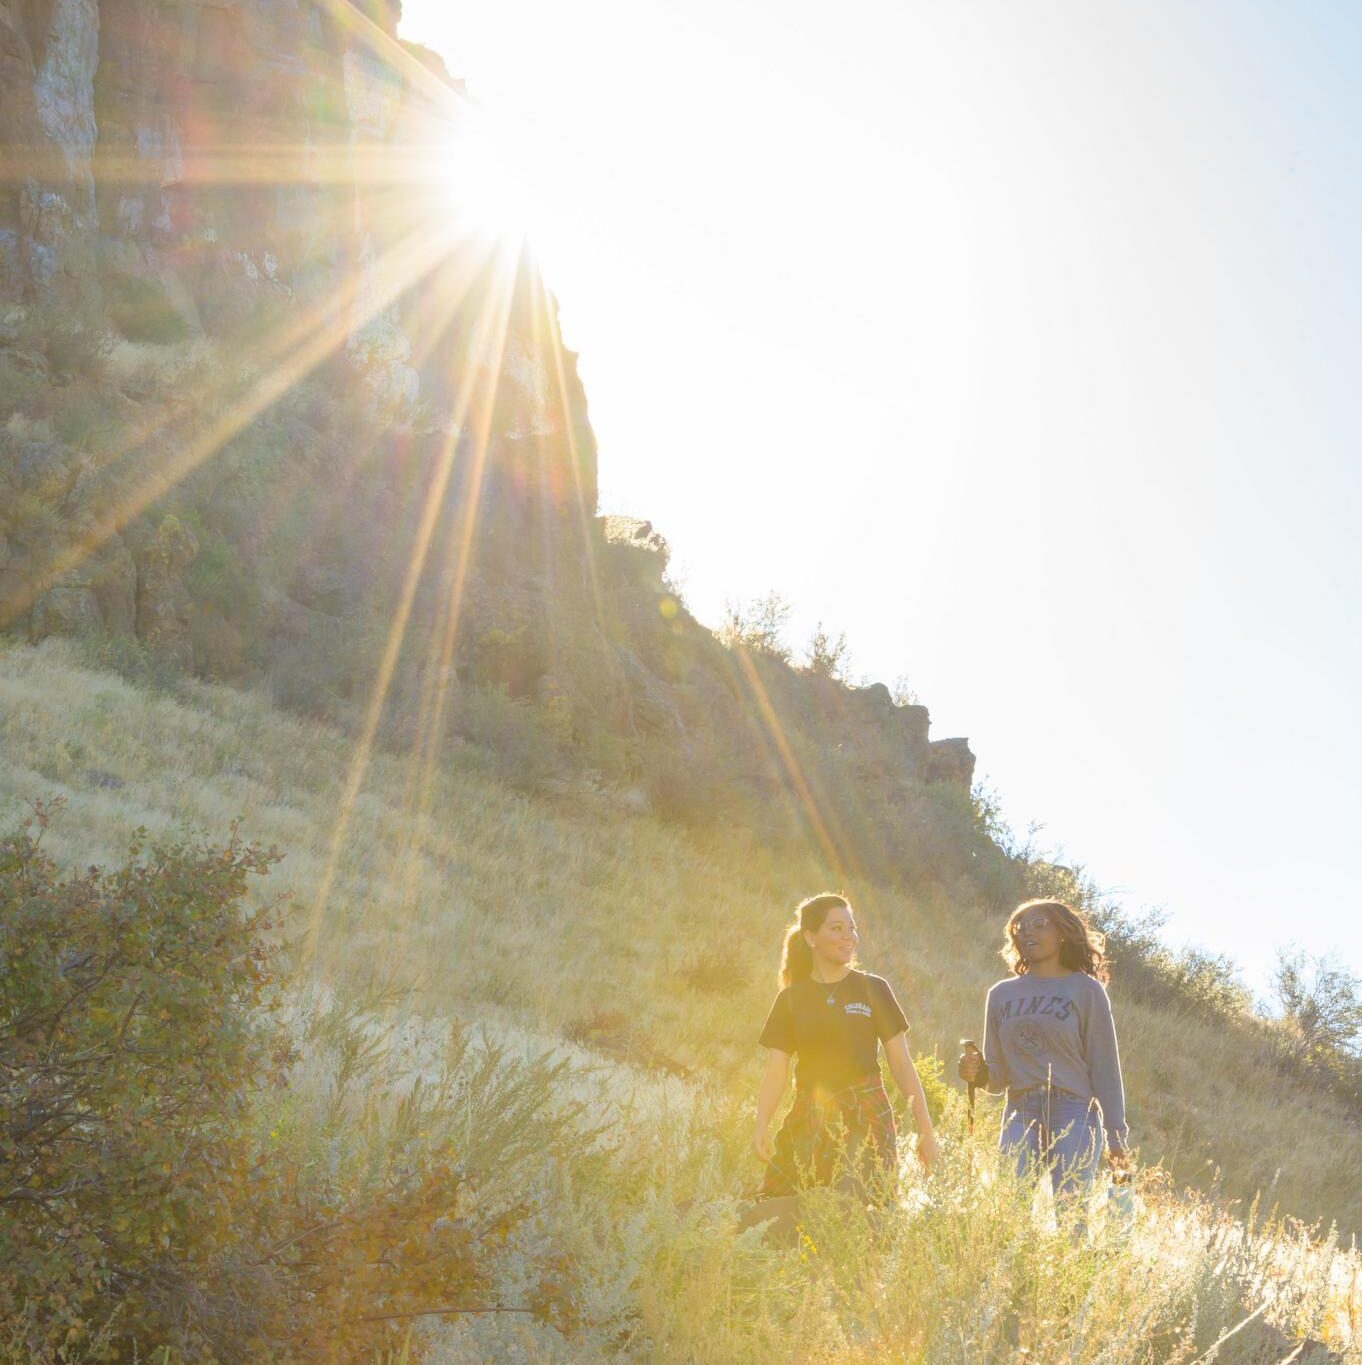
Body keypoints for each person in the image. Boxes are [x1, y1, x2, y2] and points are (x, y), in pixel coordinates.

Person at [754, 892, 938, 1201]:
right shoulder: (790, 999)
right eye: (836, 928)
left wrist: (925, 1130)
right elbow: (776, 1071)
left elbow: (902, 1065)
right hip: (810, 1110)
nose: (848, 937)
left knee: (863, 1206)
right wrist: (761, 1123)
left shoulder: (874, 989)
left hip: (866, 1111)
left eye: (852, 928)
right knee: (781, 1200)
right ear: (811, 937)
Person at [958, 899, 1129, 1202]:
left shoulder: (1087, 990)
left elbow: (1105, 1067)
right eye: (1020, 928)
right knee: (1009, 1212)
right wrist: (975, 1071)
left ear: (1063, 933)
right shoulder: (1000, 994)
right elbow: (996, 1079)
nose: (1027, 933)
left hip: (1074, 1112)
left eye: (1039, 925)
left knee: (1071, 1215)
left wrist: (1116, 1135)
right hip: (1020, 1110)